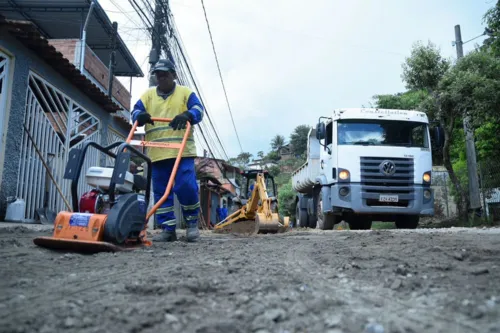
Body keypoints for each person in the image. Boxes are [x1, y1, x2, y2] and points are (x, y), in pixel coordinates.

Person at [131, 59, 204, 242]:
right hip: (157, 154)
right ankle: (168, 228)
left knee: (185, 186)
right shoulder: (147, 96)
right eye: (158, 74)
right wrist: (139, 116)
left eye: (165, 74)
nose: (161, 77)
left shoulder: (185, 93)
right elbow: (135, 112)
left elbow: (198, 109)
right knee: (161, 191)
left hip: (182, 153)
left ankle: (192, 224)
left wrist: (188, 115)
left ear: (174, 75)